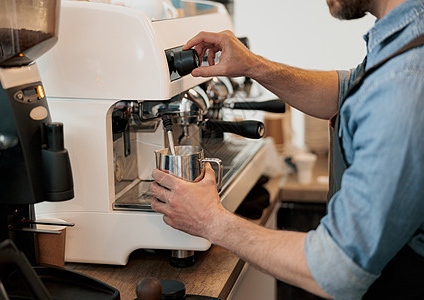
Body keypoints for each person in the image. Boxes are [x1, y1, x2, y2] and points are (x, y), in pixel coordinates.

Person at [150, 0, 424, 298]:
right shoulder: (406, 34)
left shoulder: (405, 81)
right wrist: (253, 65)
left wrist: (212, 221)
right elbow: (349, 90)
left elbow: (337, 266)